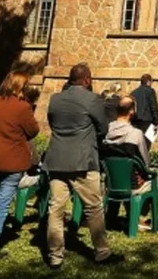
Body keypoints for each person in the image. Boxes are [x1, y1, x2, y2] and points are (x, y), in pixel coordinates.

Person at [44, 64, 121, 269]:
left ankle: (54, 255)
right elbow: (103, 128)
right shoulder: (92, 99)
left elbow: (52, 123)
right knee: (93, 207)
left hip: (57, 159)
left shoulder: (55, 99)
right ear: (87, 79)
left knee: (56, 208)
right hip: (83, 160)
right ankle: (102, 252)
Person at [0, 70, 40, 260]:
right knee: (2, 205)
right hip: (11, 162)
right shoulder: (22, 107)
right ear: (22, 86)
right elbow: (33, 130)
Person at [101, 96, 158, 230]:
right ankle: (139, 214)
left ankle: (124, 216)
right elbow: (145, 162)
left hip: (112, 183)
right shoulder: (136, 134)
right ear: (131, 112)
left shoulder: (106, 131)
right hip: (133, 185)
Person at [130, 74, 158, 146]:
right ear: (149, 81)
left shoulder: (133, 92)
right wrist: (156, 121)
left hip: (135, 122)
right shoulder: (150, 91)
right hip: (148, 121)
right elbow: (153, 106)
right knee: (147, 145)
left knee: (137, 144)